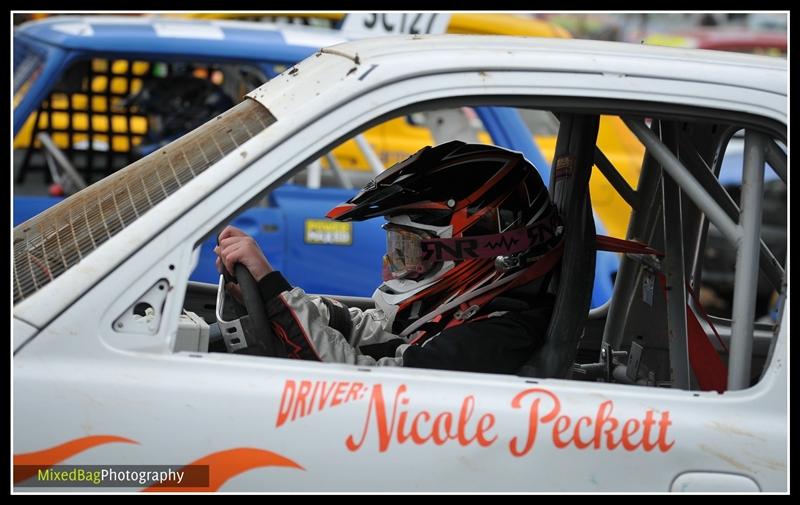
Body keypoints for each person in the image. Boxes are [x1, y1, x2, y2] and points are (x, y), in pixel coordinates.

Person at [215, 141, 564, 374]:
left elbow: (364, 383)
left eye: (408, 250)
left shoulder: (493, 341)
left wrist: (275, 296)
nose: (391, 266)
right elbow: (366, 329)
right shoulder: (469, 316)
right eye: (394, 247)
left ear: (484, 253)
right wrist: (273, 297)